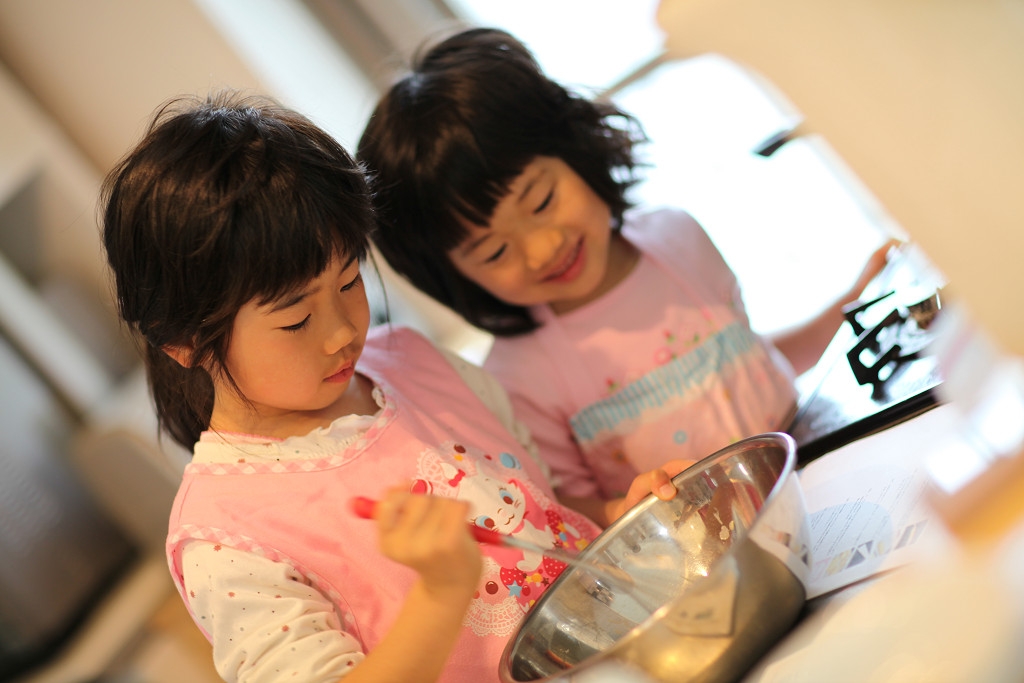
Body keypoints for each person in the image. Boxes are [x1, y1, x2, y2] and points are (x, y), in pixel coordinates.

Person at [100, 91, 685, 683]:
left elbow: (539, 513)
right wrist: (440, 594)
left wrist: (623, 516)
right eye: (295, 320)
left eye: (349, 281)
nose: (341, 333)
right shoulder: (226, 533)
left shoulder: (415, 362)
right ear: (186, 344)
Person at [357, 27, 894, 503]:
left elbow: (749, 362)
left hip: (826, 468)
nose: (542, 249)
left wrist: (848, 308)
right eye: (494, 252)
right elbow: (573, 511)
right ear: (452, 278)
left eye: (541, 201)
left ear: (575, 150)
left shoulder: (678, 237)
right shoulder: (520, 377)